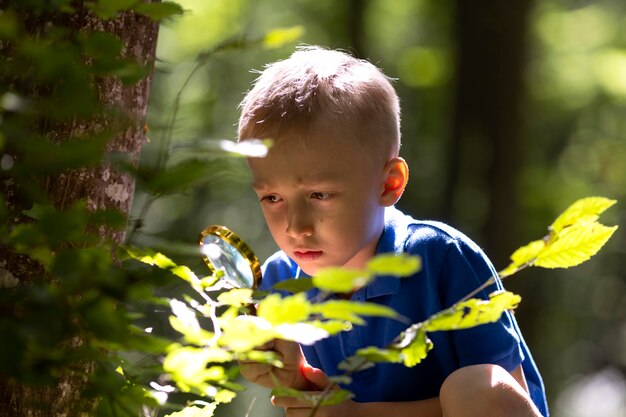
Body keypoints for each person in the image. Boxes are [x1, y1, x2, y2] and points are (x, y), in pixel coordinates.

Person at [236, 46, 548, 417]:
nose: (295, 227)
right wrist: (296, 379)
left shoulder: (441, 258)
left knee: (476, 385)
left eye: (319, 195)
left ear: (389, 184)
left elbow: (500, 402)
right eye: (272, 198)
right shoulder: (280, 280)